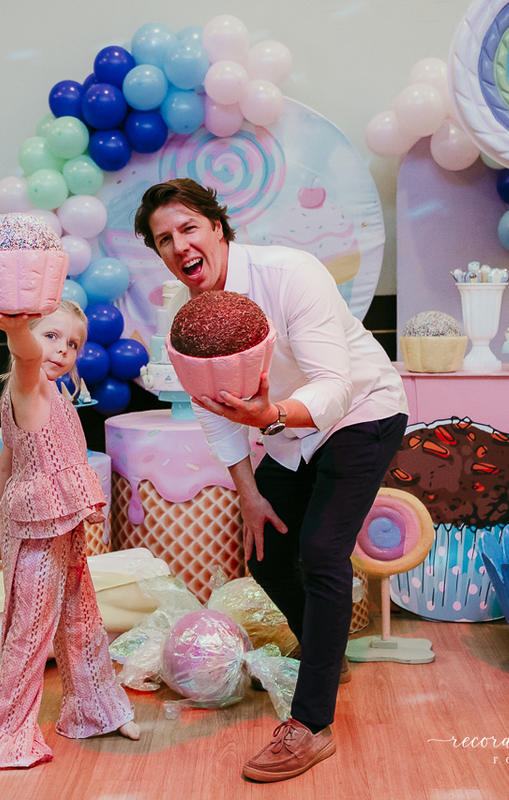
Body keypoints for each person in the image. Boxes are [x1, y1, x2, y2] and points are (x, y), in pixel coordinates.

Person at [135, 178, 408, 783]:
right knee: (266, 554)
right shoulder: (190, 320)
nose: (179, 247)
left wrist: (271, 416)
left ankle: (311, 726)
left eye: (188, 229)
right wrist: (250, 495)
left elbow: (334, 385)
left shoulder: (291, 273)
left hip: (362, 412)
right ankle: (325, 654)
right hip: (287, 432)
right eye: (164, 240)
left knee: (321, 551)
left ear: (217, 228)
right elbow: (214, 414)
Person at [0, 300, 140, 769]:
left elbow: (6, 461)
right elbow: (27, 355)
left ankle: (98, 709)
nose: (61, 350)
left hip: (62, 522)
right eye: (51, 336)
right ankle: (10, 728)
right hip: (36, 522)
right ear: (31, 337)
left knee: (81, 616)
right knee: (30, 629)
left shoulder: (55, 395)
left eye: (73, 343)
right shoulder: (28, 382)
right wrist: (18, 330)